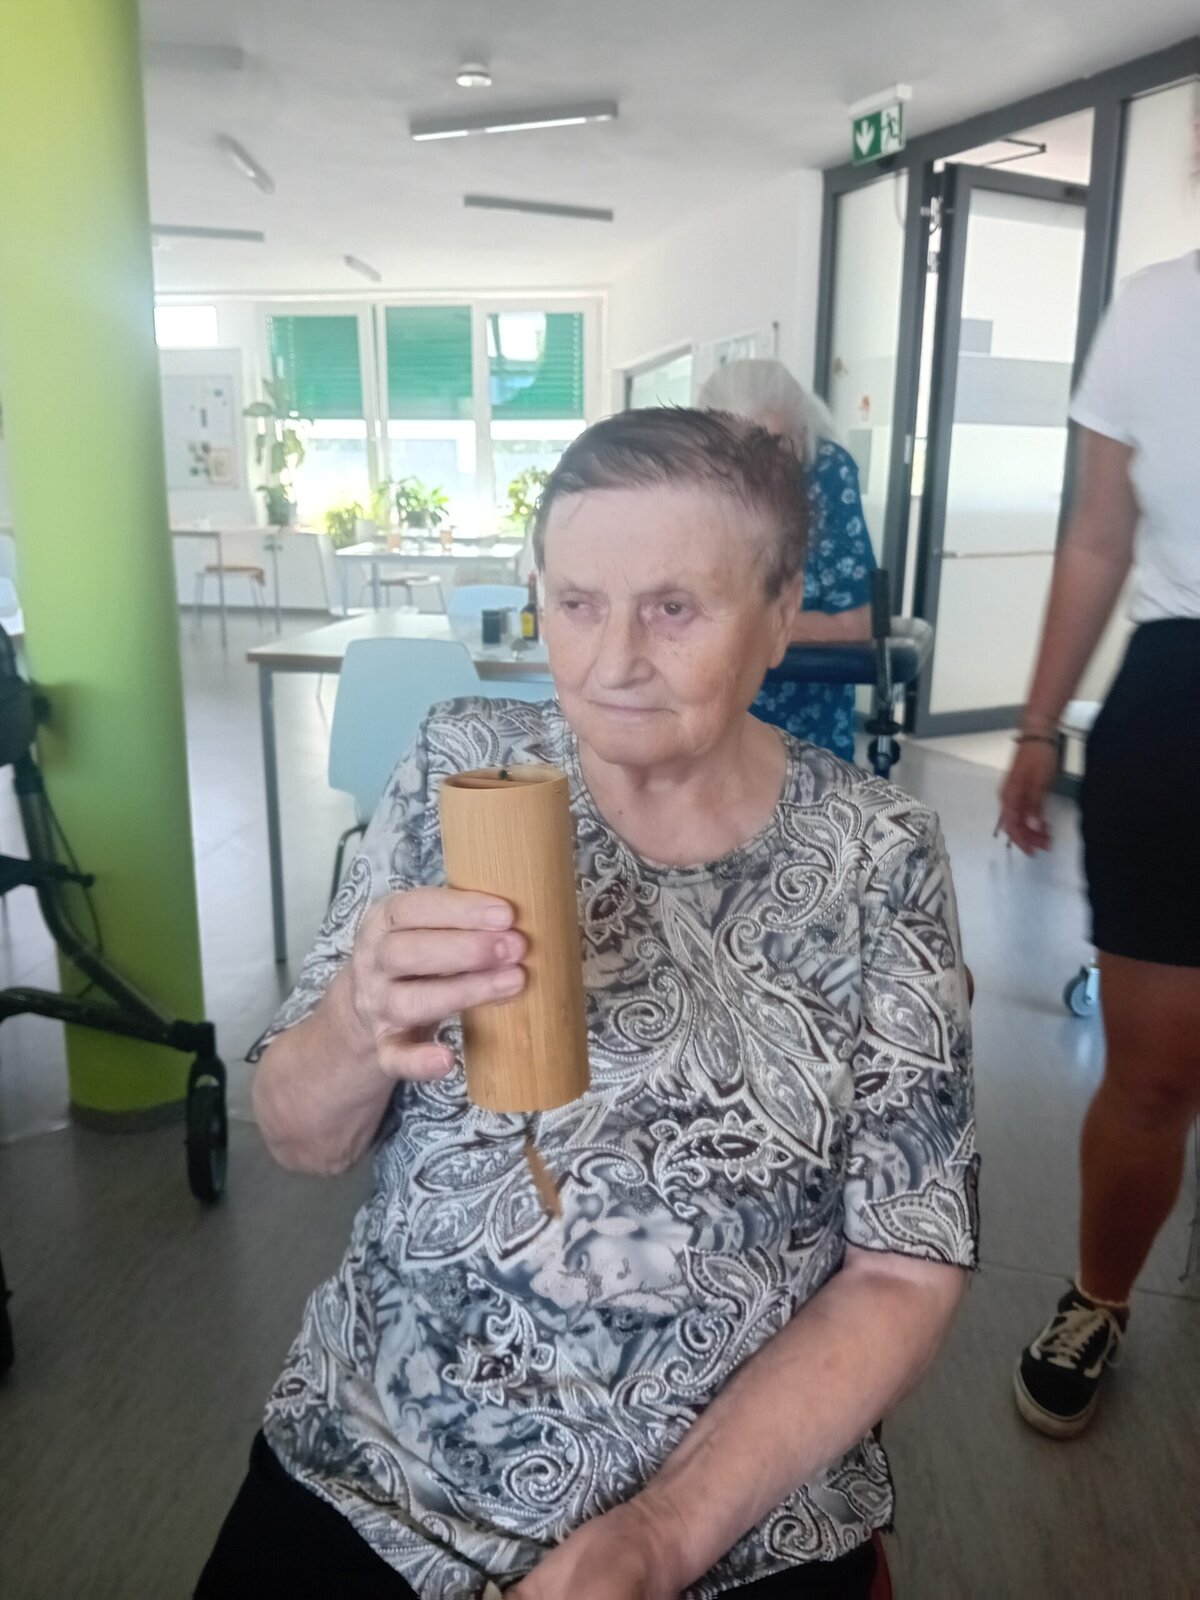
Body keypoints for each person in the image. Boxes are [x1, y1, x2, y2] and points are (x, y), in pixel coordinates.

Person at [198, 409, 977, 1600]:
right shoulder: (460, 768)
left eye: (675, 608)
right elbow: (302, 1136)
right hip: (383, 1460)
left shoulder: (879, 856)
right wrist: (355, 1020)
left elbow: (905, 1269)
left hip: (729, 1516)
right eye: (576, 602)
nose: (613, 661)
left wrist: (660, 1535)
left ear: (780, 615)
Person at [1000, 251, 1200, 1439]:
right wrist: (1037, 725)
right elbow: (1096, 535)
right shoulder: (1160, 307)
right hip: (1182, 699)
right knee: (1156, 1071)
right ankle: (1101, 1295)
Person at [697, 359, 877, 762]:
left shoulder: (827, 473)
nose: (757, 468)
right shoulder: (697, 478)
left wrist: (729, 624)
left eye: (774, 445)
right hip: (713, 717)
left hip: (808, 721)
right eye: (737, 450)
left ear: (800, 433)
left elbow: (854, 624)